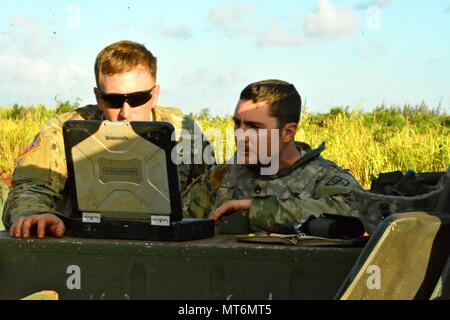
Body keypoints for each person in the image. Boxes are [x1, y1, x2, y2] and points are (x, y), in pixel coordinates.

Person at [3, 40, 212, 239]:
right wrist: (34, 213)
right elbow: (30, 187)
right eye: (113, 100)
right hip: (84, 243)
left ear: (155, 94)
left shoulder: (184, 133)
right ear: (98, 98)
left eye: (138, 98)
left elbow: (212, 190)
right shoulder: (66, 131)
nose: (126, 112)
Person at [184, 79, 370, 233]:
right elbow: (178, 222)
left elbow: (359, 211)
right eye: (237, 125)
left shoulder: (324, 179)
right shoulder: (221, 177)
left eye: (254, 128)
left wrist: (258, 209)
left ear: (288, 133)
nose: (240, 135)